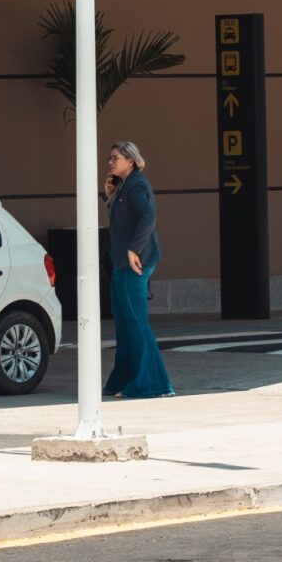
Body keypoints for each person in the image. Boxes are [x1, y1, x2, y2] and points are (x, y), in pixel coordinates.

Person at [102, 140, 174, 399]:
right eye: (110, 158)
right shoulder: (124, 186)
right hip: (122, 262)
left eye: (115, 158)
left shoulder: (136, 185)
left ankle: (151, 384)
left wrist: (134, 249)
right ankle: (123, 378)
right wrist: (108, 195)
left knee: (135, 321)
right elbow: (123, 219)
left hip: (135, 262)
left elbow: (148, 217)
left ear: (130, 161)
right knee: (124, 323)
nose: (110, 162)